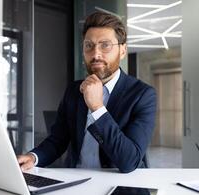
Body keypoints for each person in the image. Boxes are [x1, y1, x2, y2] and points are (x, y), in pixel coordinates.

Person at [17, 11, 157, 173]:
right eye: (89, 45)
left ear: (123, 51)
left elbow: (129, 161)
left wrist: (97, 108)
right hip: (76, 180)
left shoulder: (143, 95)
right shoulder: (74, 90)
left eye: (105, 45)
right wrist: (34, 157)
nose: (95, 54)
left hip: (122, 186)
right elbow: (57, 141)